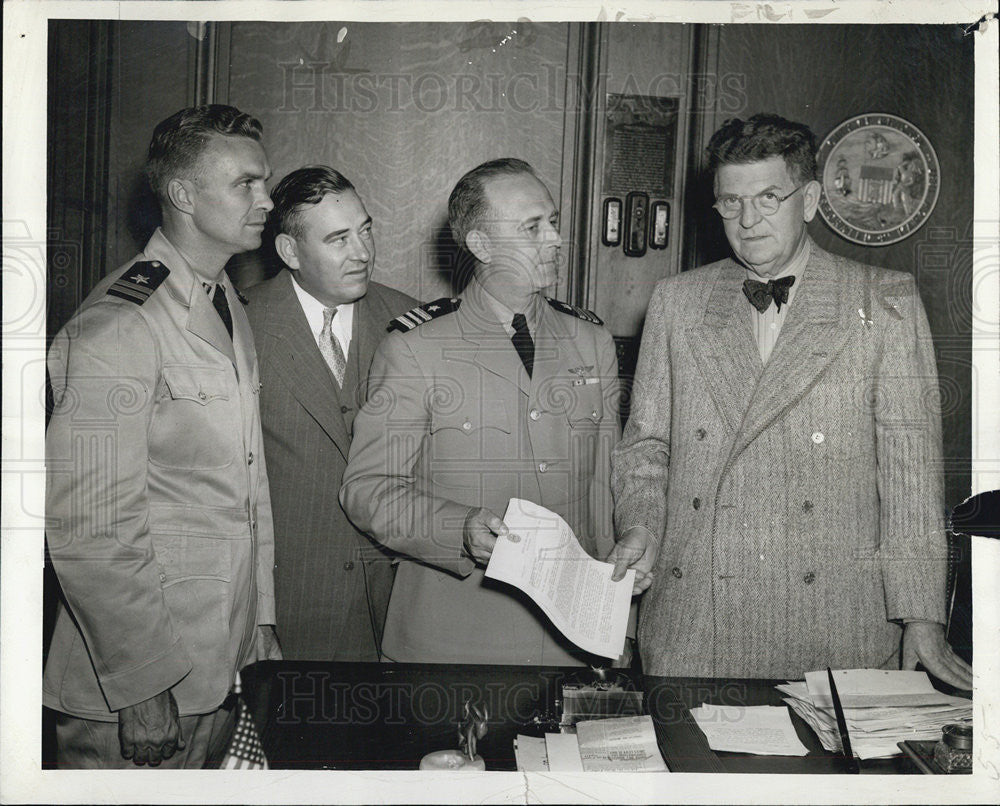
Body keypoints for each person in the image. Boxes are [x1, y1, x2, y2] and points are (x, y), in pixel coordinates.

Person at [609, 113, 973, 689]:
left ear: (808, 200)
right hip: (697, 622)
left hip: (835, 626)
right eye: (730, 203)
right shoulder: (677, 302)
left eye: (768, 197)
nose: (748, 221)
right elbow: (646, 449)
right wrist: (640, 529)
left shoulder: (886, 300)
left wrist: (921, 616)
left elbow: (910, 479)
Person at [43, 105, 281, 768]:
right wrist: (144, 686)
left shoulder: (221, 298)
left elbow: (246, 480)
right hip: (138, 685)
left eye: (264, 182)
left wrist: (258, 620)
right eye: (246, 184)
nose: (266, 199)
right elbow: (90, 527)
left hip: (215, 659)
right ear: (181, 195)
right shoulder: (119, 328)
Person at [340, 158, 621, 665]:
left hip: (575, 643)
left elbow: (607, 486)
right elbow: (367, 488)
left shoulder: (590, 339)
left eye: (553, 222)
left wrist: (619, 619)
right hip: (454, 642)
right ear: (481, 245)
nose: (555, 239)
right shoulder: (416, 348)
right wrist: (457, 529)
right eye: (532, 228)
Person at [243, 166, 417, 660]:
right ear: (289, 252)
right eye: (338, 239)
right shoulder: (239, 325)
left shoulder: (413, 323)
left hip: (396, 605)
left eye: (365, 230)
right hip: (288, 612)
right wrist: (257, 618)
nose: (362, 253)